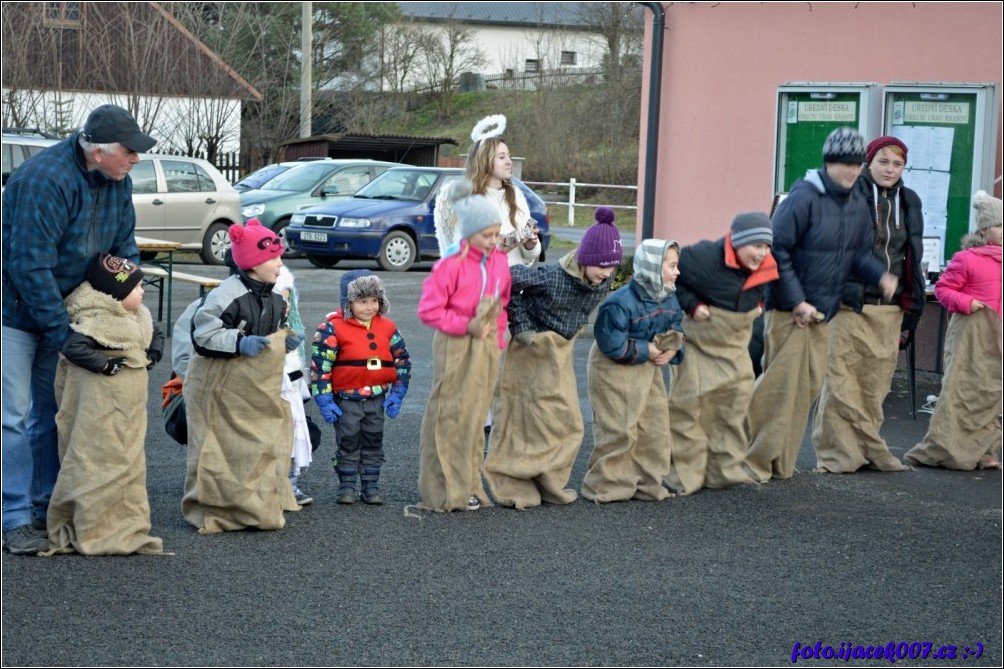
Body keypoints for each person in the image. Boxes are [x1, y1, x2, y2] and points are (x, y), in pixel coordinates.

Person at [2, 103, 155, 555]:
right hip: (14, 313)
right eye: (129, 151)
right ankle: (11, 516)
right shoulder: (42, 181)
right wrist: (62, 332)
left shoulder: (116, 180)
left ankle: (45, 503)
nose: (136, 159)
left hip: (68, 309)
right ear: (98, 151)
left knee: (54, 412)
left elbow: (122, 249)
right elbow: (28, 266)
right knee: (11, 416)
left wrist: (132, 314)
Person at [746, 127, 898, 482]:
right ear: (828, 162)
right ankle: (751, 461)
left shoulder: (859, 203)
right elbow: (776, 251)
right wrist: (796, 301)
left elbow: (857, 255)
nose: (852, 171)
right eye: (844, 163)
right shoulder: (802, 198)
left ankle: (779, 464)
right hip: (788, 312)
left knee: (805, 392)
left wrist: (879, 276)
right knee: (779, 390)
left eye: (857, 164)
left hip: (824, 313)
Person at [484, 207, 622, 509]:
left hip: (561, 351)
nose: (607, 273)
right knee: (525, 415)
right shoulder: (551, 277)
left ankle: (550, 480)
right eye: (602, 266)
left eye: (612, 267)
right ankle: (515, 476)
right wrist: (520, 327)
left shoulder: (600, 282)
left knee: (568, 421)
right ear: (585, 260)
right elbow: (509, 281)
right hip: (532, 348)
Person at [811, 135, 926, 473]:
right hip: (850, 304)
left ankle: (868, 449)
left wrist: (913, 296)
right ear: (868, 162)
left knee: (875, 384)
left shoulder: (911, 200)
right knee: (842, 383)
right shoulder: (846, 195)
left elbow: (912, 254)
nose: (890, 169)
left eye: (897, 163)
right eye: (883, 162)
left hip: (890, 308)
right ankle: (837, 455)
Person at [181, 219, 303, 533]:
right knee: (218, 448)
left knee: (257, 447)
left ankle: (254, 506)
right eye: (273, 258)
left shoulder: (276, 298)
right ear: (251, 263)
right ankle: (217, 509)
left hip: (253, 389)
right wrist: (238, 341)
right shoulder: (226, 296)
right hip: (217, 388)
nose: (280, 264)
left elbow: (271, 332)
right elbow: (203, 335)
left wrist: (283, 338)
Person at [42, 254, 164, 555]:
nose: (143, 291)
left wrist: (154, 355)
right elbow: (74, 348)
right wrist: (104, 366)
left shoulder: (138, 318)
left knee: (128, 460)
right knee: (94, 459)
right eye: (136, 288)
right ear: (117, 294)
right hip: (101, 409)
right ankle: (92, 524)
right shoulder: (98, 321)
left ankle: (124, 522)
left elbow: (156, 334)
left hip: (129, 411)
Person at [666, 213, 778, 496]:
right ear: (738, 242)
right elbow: (670, 279)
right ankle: (684, 473)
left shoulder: (767, 265)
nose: (762, 253)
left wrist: (761, 304)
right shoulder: (701, 257)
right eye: (756, 246)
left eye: (766, 247)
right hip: (700, 342)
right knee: (689, 405)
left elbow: (766, 290)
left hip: (735, 346)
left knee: (734, 406)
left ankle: (723, 470)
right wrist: (691, 304)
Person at [416, 180, 512, 512]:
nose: (493, 242)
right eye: (487, 235)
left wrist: (498, 339)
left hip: (486, 345)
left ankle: (469, 485)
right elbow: (429, 311)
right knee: (450, 413)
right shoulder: (449, 265)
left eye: (497, 235)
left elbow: (503, 302)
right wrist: (465, 325)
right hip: (455, 343)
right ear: (469, 233)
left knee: (475, 417)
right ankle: (443, 489)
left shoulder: (499, 261)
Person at [581, 239, 685, 504]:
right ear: (652, 267)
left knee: (654, 425)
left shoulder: (669, 297)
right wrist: (645, 349)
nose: (677, 272)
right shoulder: (620, 303)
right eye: (671, 266)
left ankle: (646, 481)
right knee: (619, 426)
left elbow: (676, 326)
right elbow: (609, 342)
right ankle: (608, 483)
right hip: (613, 368)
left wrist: (673, 348)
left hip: (647, 368)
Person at [905, 191, 1002, 471]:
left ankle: (984, 449)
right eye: (999, 226)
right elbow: (943, 289)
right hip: (970, 336)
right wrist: (967, 302)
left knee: (991, 393)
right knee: (962, 390)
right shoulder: (967, 259)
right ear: (983, 231)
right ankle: (946, 448)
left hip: (998, 337)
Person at [310, 270, 411, 505]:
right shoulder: (331, 329)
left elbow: (402, 360)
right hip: (346, 400)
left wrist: (398, 391)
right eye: (362, 301)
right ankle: (346, 485)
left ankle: (371, 484)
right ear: (348, 303)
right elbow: (320, 367)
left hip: (376, 398)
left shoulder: (388, 328)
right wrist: (324, 399)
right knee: (348, 441)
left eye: (374, 301)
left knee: (374, 440)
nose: (370, 307)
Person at [435, 113, 540, 267]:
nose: (509, 162)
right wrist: (503, 247)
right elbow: (461, 254)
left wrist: (530, 245)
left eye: (509, 157)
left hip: (515, 285)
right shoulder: (465, 199)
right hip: (483, 288)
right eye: (502, 157)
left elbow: (531, 255)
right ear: (484, 160)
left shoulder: (516, 196)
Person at [274, 266, 315, 506]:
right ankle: (275, 486)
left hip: (293, 391)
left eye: (288, 298)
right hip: (275, 391)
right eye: (281, 298)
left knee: (295, 437)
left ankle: (292, 484)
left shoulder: (291, 327)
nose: (286, 304)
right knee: (277, 440)